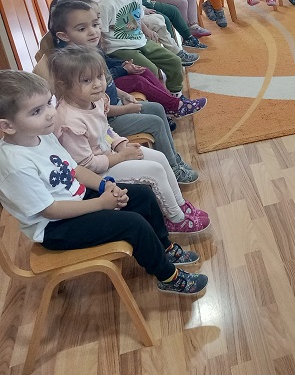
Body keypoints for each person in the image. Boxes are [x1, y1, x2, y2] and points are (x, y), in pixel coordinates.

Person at [0, 70, 208, 294]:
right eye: (36, 111)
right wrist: (100, 203)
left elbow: (76, 169)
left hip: (76, 200)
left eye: (48, 103)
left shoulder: (43, 135)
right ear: (8, 126)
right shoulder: (14, 166)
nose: (51, 114)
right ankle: (168, 277)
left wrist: (105, 186)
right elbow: (50, 210)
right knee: (133, 224)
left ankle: (164, 247)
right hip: (55, 228)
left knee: (143, 196)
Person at [50, 46, 210, 234]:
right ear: (64, 86)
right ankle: (174, 218)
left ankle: (180, 205)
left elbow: (106, 129)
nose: (97, 84)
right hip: (97, 174)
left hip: (111, 154)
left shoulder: (95, 100)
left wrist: (120, 143)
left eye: (100, 76)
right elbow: (86, 165)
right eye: (86, 80)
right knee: (154, 170)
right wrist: (122, 156)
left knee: (159, 158)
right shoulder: (70, 122)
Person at [39, 0, 206, 122]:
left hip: (108, 84)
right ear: (65, 34)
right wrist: (123, 69)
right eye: (83, 27)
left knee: (145, 72)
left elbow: (104, 61)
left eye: (95, 23)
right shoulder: (76, 56)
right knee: (139, 81)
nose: (94, 30)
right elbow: (102, 75)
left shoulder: (87, 43)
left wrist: (123, 65)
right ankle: (173, 105)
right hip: (104, 93)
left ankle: (171, 104)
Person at [96, 0, 185, 95]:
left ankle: (175, 95)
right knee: (152, 71)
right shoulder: (106, 4)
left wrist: (146, 30)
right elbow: (101, 33)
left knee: (174, 61)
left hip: (140, 40)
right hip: (120, 48)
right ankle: (163, 101)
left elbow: (136, 18)